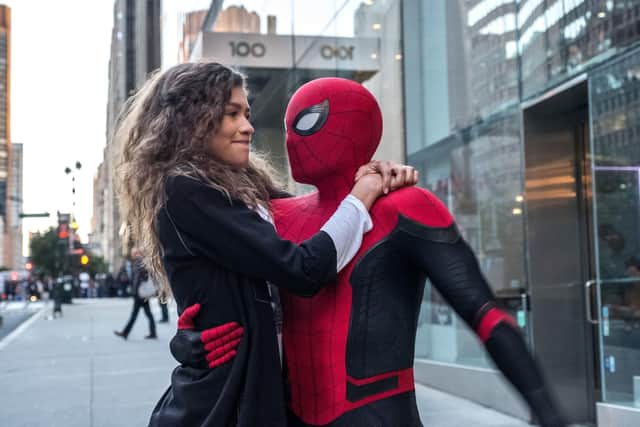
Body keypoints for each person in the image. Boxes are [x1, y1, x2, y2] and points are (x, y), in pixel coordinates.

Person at [173, 78, 567, 426]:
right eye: (287, 125)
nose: (292, 137)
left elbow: (483, 312)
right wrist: (192, 340)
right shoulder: (272, 214)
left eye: (307, 121)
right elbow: (214, 280)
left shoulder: (403, 207)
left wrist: (547, 410)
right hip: (287, 414)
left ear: (356, 125)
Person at [113, 62, 416, 427]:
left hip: (271, 392)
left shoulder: (244, 184)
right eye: (231, 114)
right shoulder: (186, 190)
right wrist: (362, 193)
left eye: (248, 113)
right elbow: (303, 267)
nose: (248, 126)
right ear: (193, 120)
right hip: (225, 405)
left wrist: (370, 177)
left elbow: (321, 224)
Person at [113, 247, 157, 340]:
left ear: (139, 253)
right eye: (133, 253)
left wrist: (137, 287)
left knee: (135, 314)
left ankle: (125, 332)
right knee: (147, 313)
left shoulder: (141, 263)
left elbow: (144, 277)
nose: (134, 255)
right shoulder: (137, 263)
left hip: (139, 293)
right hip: (139, 293)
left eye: (136, 253)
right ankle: (152, 332)